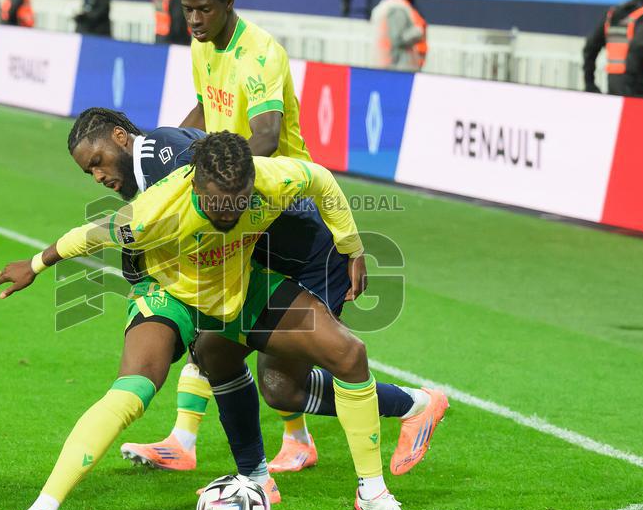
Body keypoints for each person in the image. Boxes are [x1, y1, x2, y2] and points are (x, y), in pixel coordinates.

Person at [0, 131, 422, 510]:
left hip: (238, 287)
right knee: (136, 389)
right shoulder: (152, 214)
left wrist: (353, 247)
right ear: (194, 181)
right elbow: (91, 234)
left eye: (239, 200)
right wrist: (35, 263)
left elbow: (322, 179)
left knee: (349, 354)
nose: (228, 211)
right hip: (170, 292)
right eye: (216, 202)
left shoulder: (272, 178)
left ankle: (372, 497)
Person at [69, 108, 447, 479]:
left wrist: (353, 248)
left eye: (98, 163)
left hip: (312, 260)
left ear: (121, 137)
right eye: (89, 171)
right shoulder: (153, 162)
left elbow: (304, 170)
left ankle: (414, 407)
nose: (98, 175)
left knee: (282, 387)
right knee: (213, 351)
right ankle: (248, 471)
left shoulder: (171, 162)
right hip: (263, 260)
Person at [128, 0, 321, 473]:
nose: (193, 19)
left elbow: (266, 137)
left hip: (272, 200)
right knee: (215, 316)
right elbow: (204, 115)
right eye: (187, 9)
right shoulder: (201, 44)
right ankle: (198, 439)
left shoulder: (259, 55)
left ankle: (201, 441)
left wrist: (207, 184)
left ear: (228, 5)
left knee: (220, 318)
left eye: (203, 10)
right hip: (232, 194)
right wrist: (162, 154)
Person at [370, 0, 427, 72]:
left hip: (389, 68)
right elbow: (397, 39)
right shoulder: (397, 8)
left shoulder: (391, 4)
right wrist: (419, 31)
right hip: (396, 69)